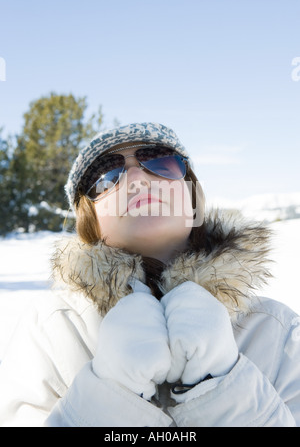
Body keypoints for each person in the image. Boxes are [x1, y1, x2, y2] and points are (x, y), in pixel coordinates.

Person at [0, 122, 300, 427]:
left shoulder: (278, 331)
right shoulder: (51, 330)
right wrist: (109, 395)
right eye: (107, 177)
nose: (135, 178)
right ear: (90, 222)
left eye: (161, 162)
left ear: (192, 195)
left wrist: (222, 387)